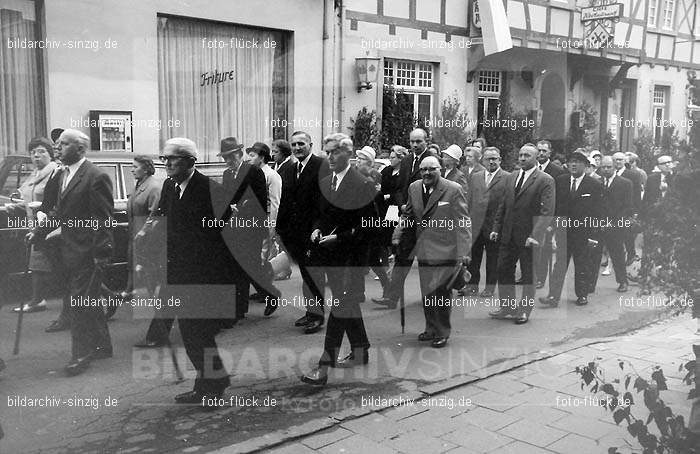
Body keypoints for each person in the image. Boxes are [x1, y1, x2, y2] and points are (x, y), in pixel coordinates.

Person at [152, 137, 236, 409]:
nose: (166, 163)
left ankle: (213, 384)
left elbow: (223, 240)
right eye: (164, 158)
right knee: (191, 334)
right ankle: (208, 385)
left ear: (190, 160)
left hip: (202, 276)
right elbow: (165, 222)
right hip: (177, 272)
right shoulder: (169, 186)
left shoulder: (210, 189)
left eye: (172, 158)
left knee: (197, 332)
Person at [28, 129, 114, 376]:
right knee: (88, 299)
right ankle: (103, 345)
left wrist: (101, 255)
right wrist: (39, 231)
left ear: (80, 148)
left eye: (64, 144)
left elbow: (103, 219)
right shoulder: (63, 173)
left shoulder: (95, 176)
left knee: (79, 302)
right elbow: (58, 212)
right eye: (57, 144)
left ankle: (81, 354)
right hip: (69, 249)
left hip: (88, 252)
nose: (58, 148)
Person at [300, 133, 376, 386]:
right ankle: (361, 350)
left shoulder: (362, 184)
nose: (329, 156)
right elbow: (321, 214)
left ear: (348, 154)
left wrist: (340, 237)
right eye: (327, 151)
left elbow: (371, 227)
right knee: (347, 304)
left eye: (334, 152)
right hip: (331, 255)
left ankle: (324, 366)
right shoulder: (327, 180)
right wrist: (317, 228)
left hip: (352, 259)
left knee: (341, 307)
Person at [394, 155, 470, 348]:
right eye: (424, 169)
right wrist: (397, 235)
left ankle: (442, 331)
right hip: (424, 250)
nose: (427, 173)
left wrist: (463, 253)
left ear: (440, 169)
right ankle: (430, 328)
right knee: (427, 292)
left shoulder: (453, 189)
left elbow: (463, 223)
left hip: (447, 251)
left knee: (442, 294)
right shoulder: (414, 188)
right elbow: (408, 214)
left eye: (432, 169)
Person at [489, 143, 555, 325]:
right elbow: (503, 205)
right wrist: (496, 228)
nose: (523, 158)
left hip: (529, 238)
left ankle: (524, 310)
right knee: (503, 270)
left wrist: (535, 235)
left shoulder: (545, 180)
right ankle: (507, 307)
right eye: (521, 155)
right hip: (507, 234)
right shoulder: (512, 177)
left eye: (527, 155)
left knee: (528, 275)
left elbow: (547, 211)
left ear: (535, 158)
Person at [373, 128, 437, 308]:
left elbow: (433, 191)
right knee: (402, 258)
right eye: (412, 142)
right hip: (407, 218)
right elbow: (401, 188)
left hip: (425, 221)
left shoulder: (432, 161)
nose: (415, 145)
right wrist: (403, 205)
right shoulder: (407, 160)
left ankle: (431, 300)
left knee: (427, 264)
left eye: (419, 141)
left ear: (426, 141)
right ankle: (392, 298)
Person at [277, 131, 330, 333]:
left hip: (314, 232)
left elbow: (325, 202)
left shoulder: (321, 166)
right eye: (294, 144)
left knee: (314, 273)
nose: (297, 147)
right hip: (295, 233)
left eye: (301, 144)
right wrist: (280, 228)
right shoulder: (290, 169)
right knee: (306, 273)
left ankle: (317, 316)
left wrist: (319, 227)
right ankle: (310, 311)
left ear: (310, 144)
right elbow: (285, 201)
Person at [539, 151, 603, 308]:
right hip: (563, 231)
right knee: (559, 264)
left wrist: (594, 236)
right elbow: (555, 206)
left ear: (585, 165)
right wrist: (550, 226)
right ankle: (553, 296)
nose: (573, 165)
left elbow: (598, 212)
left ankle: (582, 295)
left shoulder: (594, 185)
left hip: (583, 233)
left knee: (582, 264)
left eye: (577, 162)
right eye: (571, 162)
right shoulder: (560, 181)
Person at [220, 137, 269, 319]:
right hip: (234, 229)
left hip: (252, 228)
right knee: (238, 267)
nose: (228, 162)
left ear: (240, 154)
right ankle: (240, 309)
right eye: (225, 158)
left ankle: (266, 297)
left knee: (249, 266)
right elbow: (226, 199)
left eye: (231, 157)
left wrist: (240, 207)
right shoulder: (226, 174)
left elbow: (261, 201)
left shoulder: (254, 172)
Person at [7, 137, 58, 313]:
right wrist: (12, 206)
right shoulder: (35, 173)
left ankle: (106, 295)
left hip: (51, 226)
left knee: (64, 267)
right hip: (35, 226)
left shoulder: (54, 172)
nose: (36, 155)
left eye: (41, 151)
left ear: (50, 154)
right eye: (33, 152)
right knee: (37, 264)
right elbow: (26, 198)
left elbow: (57, 201)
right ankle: (38, 300)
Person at [465, 147, 509, 297]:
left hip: (494, 226)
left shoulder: (507, 177)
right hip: (476, 225)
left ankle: (490, 287)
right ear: (483, 160)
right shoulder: (475, 176)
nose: (491, 161)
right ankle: (472, 285)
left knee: (493, 259)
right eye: (488, 159)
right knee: (474, 258)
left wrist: (499, 226)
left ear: (500, 160)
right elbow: (469, 200)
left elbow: (506, 205)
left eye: (494, 159)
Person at [246, 141, 283, 316]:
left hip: (265, 221)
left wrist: (271, 226)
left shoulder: (272, 176)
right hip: (252, 222)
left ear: (262, 157)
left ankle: (269, 293)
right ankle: (264, 292)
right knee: (255, 260)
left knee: (260, 259)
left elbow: (275, 203)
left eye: (253, 155)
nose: (249, 158)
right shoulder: (253, 173)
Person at [594, 156, 633, 293]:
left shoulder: (625, 183)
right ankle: (589, 284)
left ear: (614, 167)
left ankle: (622, 281)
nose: (605, 169)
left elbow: (628, 207)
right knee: (594, 255)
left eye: (608, 167)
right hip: (598, 225)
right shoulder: (597, 183)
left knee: (617, 254)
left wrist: (614, 222)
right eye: (603, 167)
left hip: (616, 225)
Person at [356, 145, 390, 293]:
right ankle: (359, 292)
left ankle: (388, 287)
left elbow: (378, 198)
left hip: (371, 222)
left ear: (369, 161)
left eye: (361, 158)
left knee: (373, 259)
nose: (357, 160)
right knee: (358, 258)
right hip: (359, 222)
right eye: (357, 157)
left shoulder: (372, 176)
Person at [534, 140, 567, 290]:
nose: (541, 153)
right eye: (539, 150)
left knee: (544, 249)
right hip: (531, 215)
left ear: (550, 153)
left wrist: (552, 223)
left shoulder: (557, 171)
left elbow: (559, 199)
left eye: (544, 151)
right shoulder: (530, 167)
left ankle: (540, 278)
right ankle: (529, 275)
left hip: (547, 216)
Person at [612, 152, 643, 265]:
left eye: (620, 159)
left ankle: (631, 253)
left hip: (627, 208)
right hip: (613, 209)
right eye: (616, 160)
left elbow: (637, 193)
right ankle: (615, 257)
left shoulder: (633, 174)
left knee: (627, 233)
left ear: (625, 161)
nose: (618, 162)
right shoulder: (610, 173)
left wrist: (636, 210)